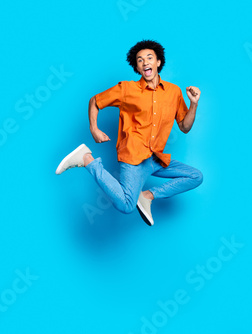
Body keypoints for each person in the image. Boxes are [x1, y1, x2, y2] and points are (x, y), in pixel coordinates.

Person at [55, 40, 202, 226]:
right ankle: (86, 159)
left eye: (149, 58)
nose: (145, 62)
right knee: (126, 206)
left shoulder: (173, 92)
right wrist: (94, 129)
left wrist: (194, 104)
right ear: (137, 67)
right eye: (140, 60)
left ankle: (147, 196)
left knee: (195, 176)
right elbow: (95, 101)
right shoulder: (127, 89)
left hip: (156, 158)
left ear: (158, 62)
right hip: (134, 158)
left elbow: (185, 127)